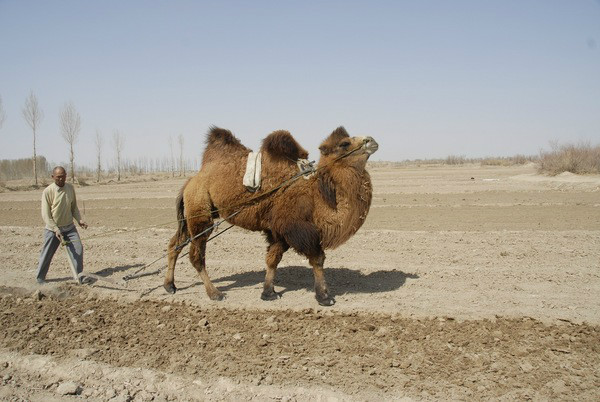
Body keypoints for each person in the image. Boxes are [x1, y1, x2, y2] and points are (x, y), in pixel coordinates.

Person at [36, 166, 89, 284]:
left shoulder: (70, 188)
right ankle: (40, 278)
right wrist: (55, 229)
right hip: (53, 230)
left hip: (69, 227)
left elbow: (74, 207)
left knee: (78, 250)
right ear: (53, 177)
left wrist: (79, 220)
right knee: (47, 254)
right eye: (59, 177)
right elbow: (46, 215)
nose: (61, 179)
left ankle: (79, 276)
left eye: (63, 176)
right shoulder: (48, 192)